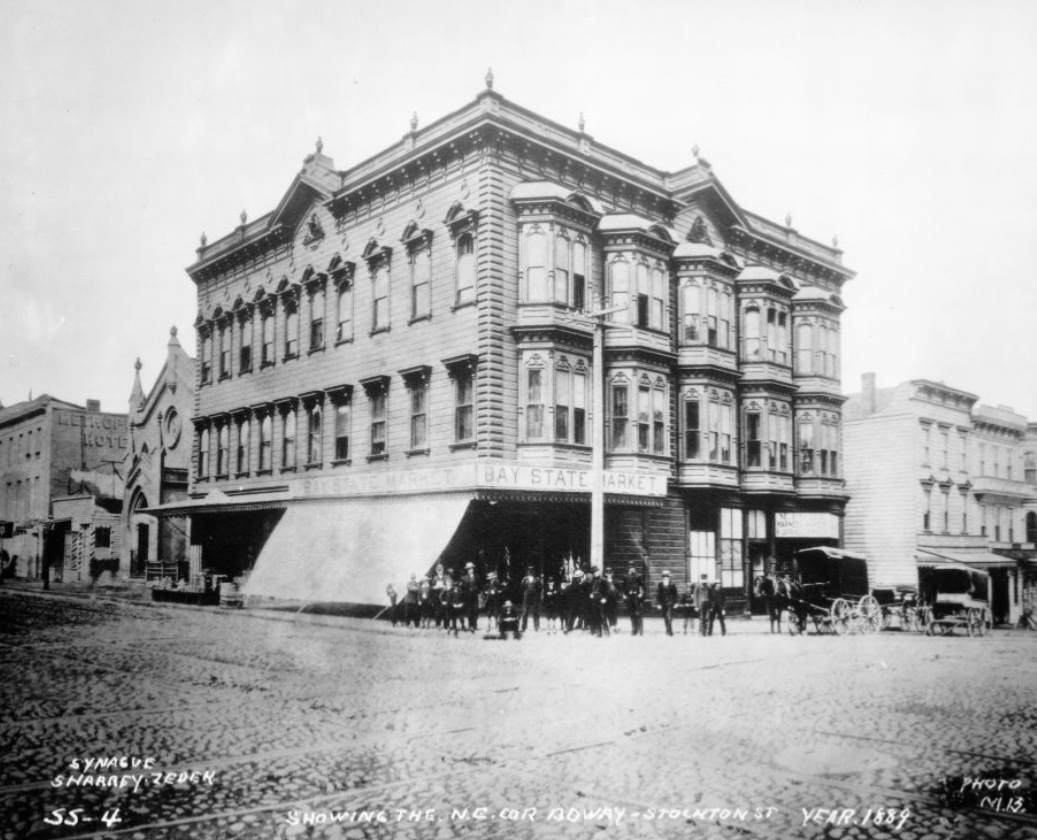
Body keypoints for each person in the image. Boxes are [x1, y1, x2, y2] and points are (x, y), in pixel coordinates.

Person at [520, 565, 542, 633]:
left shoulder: (537, 579)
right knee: (525, 612)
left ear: (534, 572)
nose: (531, 572)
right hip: (527, 596)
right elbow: (522, 587)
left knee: (535, 612)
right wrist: (526, 592)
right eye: (529, 571)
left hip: (535, 596)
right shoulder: (525, 579)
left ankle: (536, 627)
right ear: (527, 572)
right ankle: (524, 627)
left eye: (532, 571)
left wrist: (536, 594)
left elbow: (540, 588)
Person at [624, 563, 644, 636]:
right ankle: (634, 629)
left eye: (633, 568)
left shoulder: (638, 576)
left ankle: (640, 630)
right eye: (630, 568)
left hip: (637, 596)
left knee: (638, 613)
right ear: (628, 569)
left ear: (635, 569)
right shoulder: (626, 576)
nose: (631, 569)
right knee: (632, 613)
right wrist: (624, 594)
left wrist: (641, 593)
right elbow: (624, 586)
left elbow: (642, 586)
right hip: (630, 597)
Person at [657, 570, 679, 636]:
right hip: (663, 603)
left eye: (667, 577)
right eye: (665, 577)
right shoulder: (660, 585)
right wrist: (658, 604)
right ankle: (668, 630)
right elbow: (658, 595)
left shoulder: (672, 585)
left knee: (669, 616)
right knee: (665, 617)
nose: (666, 578)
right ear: (663, 577)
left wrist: (676, 603)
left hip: (670, 602)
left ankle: (670, 631)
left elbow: (675, 595)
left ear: (669, 578)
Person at [462, 562, 480, 632]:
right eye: (469, 569)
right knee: (469, 611)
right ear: (467, 570)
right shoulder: (464, 578)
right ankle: (470, 626)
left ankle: (475, 624)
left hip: (475, 596)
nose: (470, 570)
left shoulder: (477, 576)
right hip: (468, 597)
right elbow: (463, 588)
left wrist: (477, 590)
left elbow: (480, 585)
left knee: (476, 610)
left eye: (472, 568)